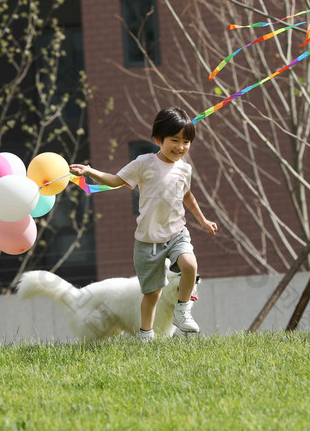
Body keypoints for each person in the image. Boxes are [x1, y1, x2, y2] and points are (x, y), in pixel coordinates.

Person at [70, 106, 218, 341]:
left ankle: (183, 310)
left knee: (190, 264)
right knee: (152, 293)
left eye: (186, 141)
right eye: (174, 140)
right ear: (158, 139)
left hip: (177, 232)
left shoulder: (184, 169)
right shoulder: (144, 163)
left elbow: (187, 195)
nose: (180, 147)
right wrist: (89, 171)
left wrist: (203, 220)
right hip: (148, 240)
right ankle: (145, 334)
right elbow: (117, 180)